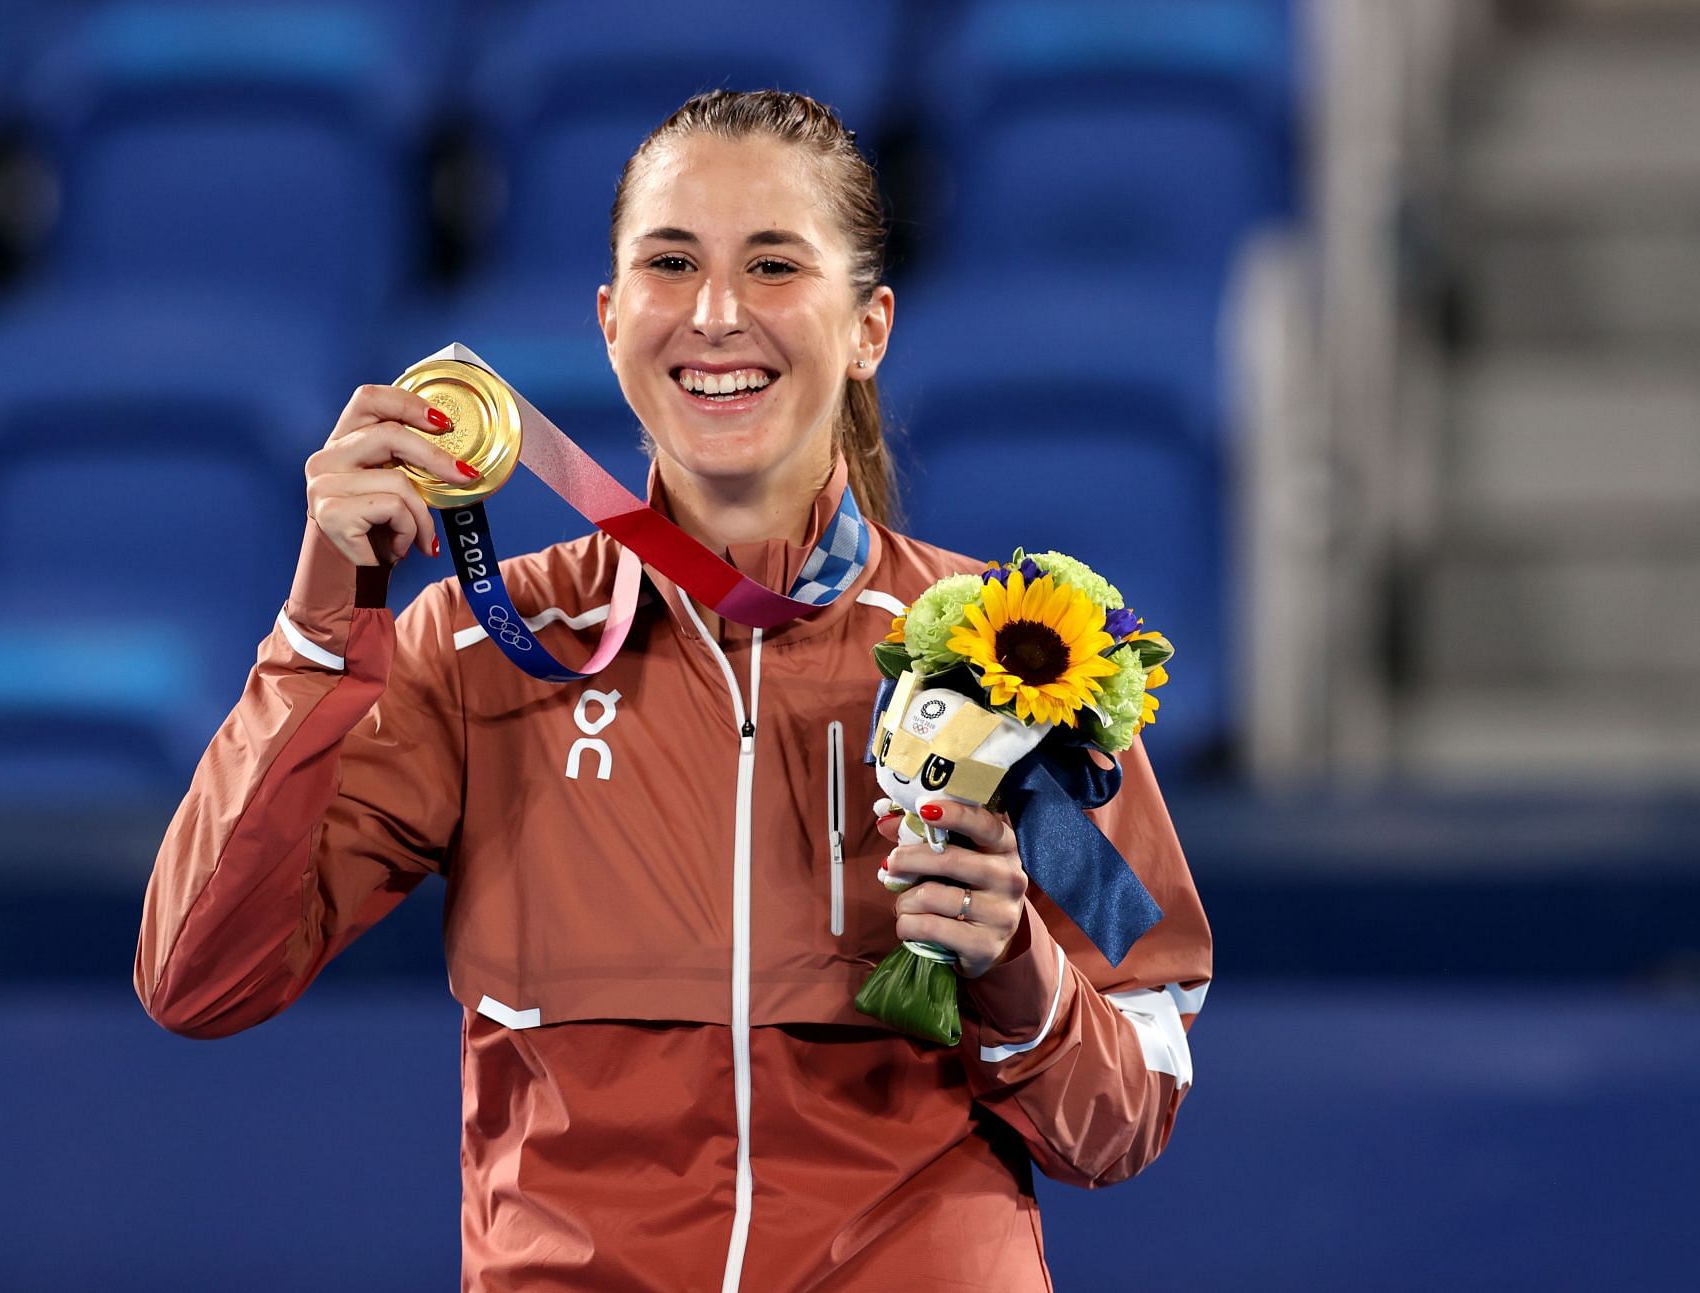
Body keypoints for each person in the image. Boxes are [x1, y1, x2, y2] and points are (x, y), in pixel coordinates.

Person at [135, 89, 1212, 1292]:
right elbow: (198, 980)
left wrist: (1020, 976)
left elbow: (1131, 1111)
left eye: (772, 264)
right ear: (608, 319)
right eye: (670, 262)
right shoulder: (475, 653)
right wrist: (322, 629)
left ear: (870, 327)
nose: (715, 313)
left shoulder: (1022, 666)